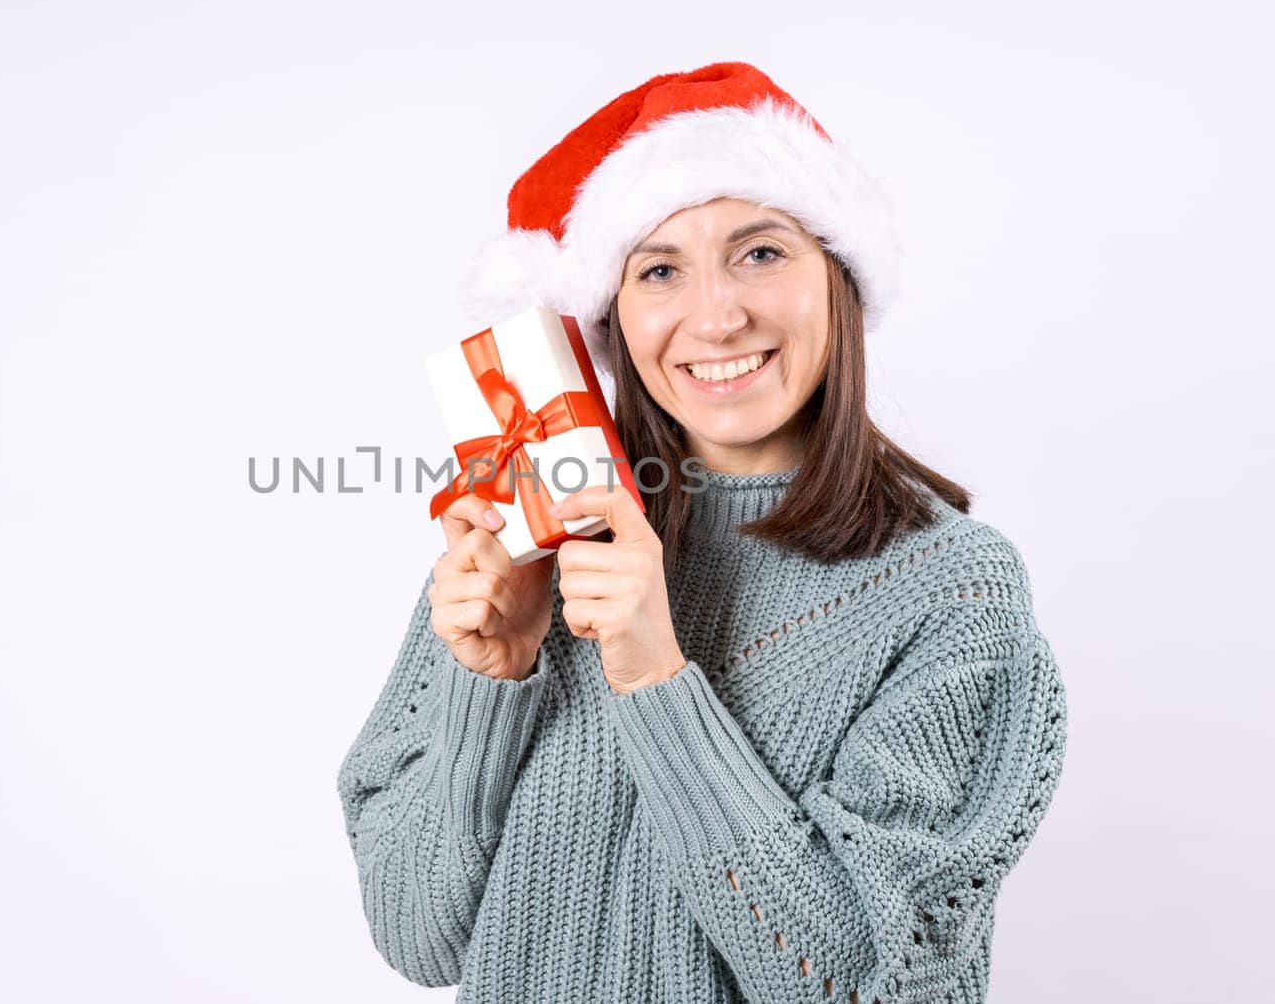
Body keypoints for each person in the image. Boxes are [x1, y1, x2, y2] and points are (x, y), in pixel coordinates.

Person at [335, 61, 1067, 1004]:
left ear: (838, 277)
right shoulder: (537, 538)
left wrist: (653, 675)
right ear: (612, 317)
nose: (717, 317)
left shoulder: (952, 591)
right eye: (660, 270)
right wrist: (495, 681)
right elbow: (417, 939)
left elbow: (867, 984)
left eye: (761, 252)